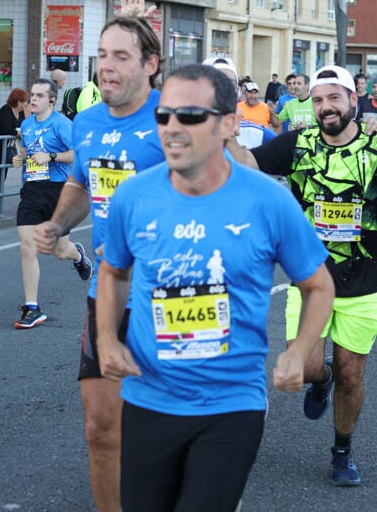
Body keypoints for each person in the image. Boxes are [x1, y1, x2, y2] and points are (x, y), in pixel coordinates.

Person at [96, 63, 335, 511]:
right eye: (163, 115)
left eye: (189, 116)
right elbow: (113, 271)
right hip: (149, 397)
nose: (171, 128)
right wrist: (107, 339)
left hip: (230, 402)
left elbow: (318, 286)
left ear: (228, 124)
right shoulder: (133, 197)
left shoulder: (268, 201)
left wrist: (299, 351)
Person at [226, 65, 377, 487]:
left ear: (352, 100)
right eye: (318, 100)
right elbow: (248, 164)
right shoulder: (298, 144)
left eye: (334, 98)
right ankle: (321, 379)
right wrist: (228, 132)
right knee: (308, 367)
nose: (326, 107)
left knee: (352, 372)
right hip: (309, 276)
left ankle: (342, 451)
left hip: (368, 277)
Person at [34, 11, 165, 512]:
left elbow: (209, 196)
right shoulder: (85, 122)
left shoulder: (169, 117)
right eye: (102, 56)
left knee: (171, 431)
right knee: (99, 427)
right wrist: (59, 224)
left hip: (168, 297)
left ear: (150, 64)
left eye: (121, 57)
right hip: (107, 296)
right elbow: (82, 183)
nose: (106, 67)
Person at [11, 79, 92, 329]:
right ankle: (32, 308)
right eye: (31, 95)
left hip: (58, 191)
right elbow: (27, 150)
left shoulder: (62, 125)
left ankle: (77, 254)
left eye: (39, 96)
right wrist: (21, 158)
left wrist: (52, 156)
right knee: (27, 247)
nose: (32, 100)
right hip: (32, 191)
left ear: (52, 100)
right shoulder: (26, 124)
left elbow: (78, 153)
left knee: (59, 251)